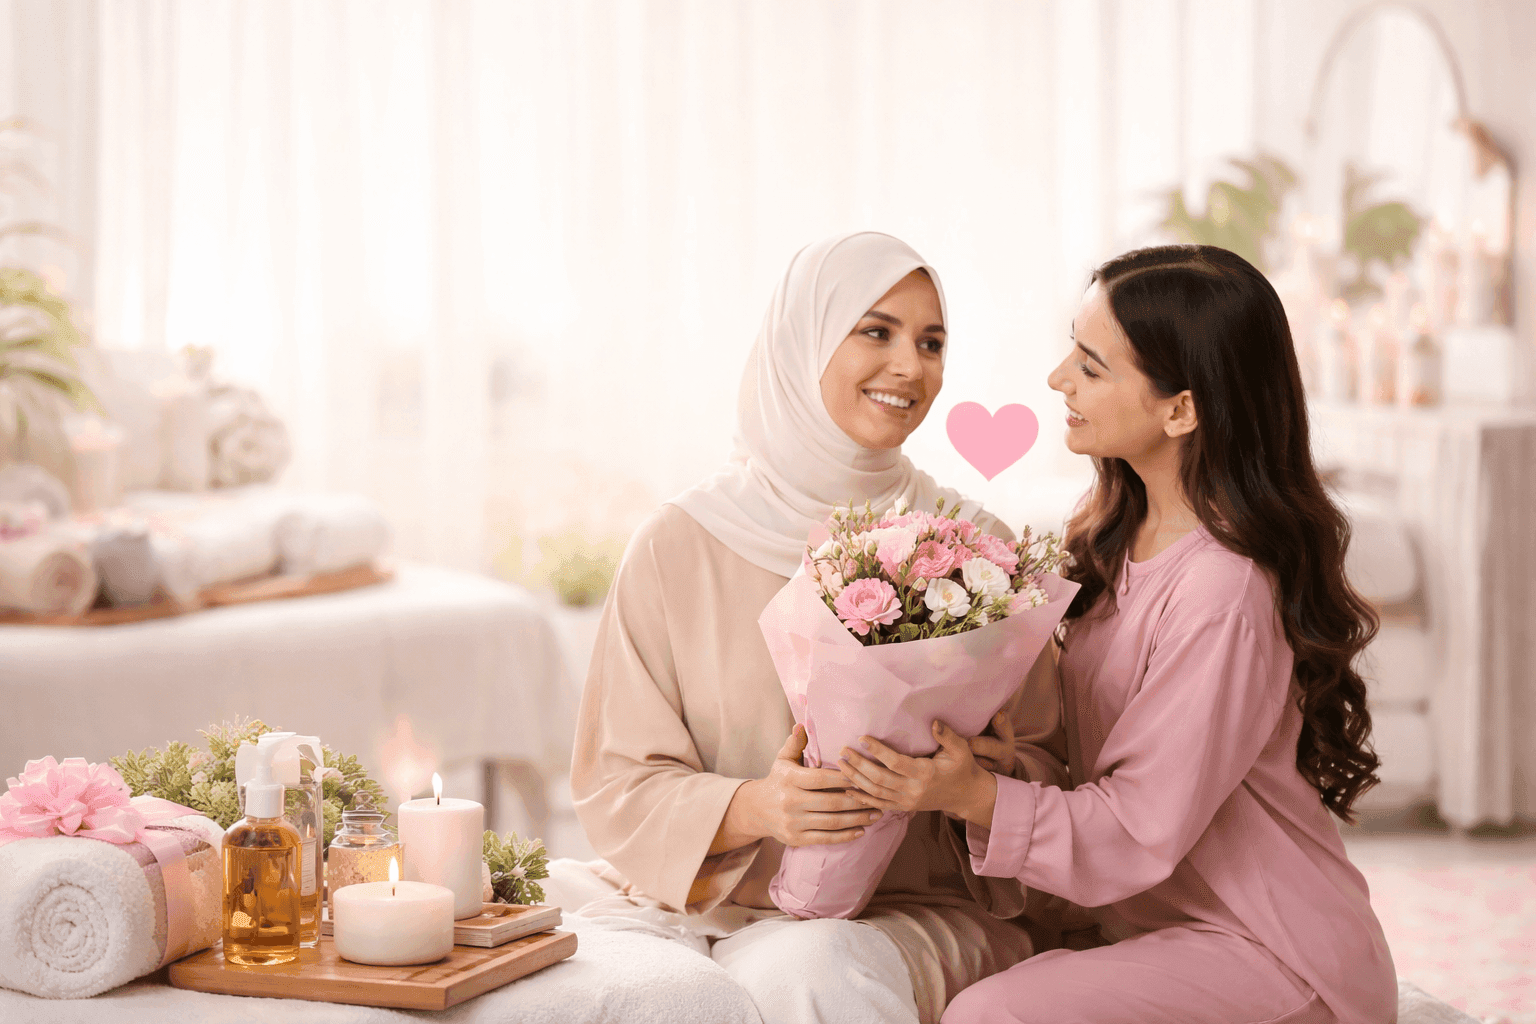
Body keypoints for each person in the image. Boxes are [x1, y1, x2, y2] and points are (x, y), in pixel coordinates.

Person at [836, 244, 1398, 1024]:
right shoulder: (1116, 535)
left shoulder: (1222, 589)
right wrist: (997, 768)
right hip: (1166, 929)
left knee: (988, 1015)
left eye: (1092, 366)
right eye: (1073, 347)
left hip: (1275, 954)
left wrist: (978, 795)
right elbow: (1105, 758)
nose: (1058, 377)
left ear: (1181, 409)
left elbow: (1139, 822)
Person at [567, 232, 1073, 1024]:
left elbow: (1055, 770)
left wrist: (975, 783)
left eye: (931, 342)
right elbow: (617, 781)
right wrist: (758, 809)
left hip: (909, 913)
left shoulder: (975, 550)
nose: (911, 365)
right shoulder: (680, 543)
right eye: (877, 331)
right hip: (702, 903)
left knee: (807, 973)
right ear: (800, 345)